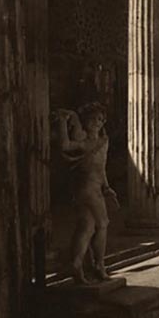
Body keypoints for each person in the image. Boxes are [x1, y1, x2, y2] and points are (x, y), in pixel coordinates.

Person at [52, 102, 118, 284]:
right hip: (86, 187)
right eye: (92, 119)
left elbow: (101, 168)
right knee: (103, 223)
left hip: (96, 187)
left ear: (103, 122)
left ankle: (77, 264)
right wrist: (64, 122)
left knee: (87, 227)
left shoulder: (103, 141)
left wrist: (107, 187)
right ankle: (99, 266)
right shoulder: (83, 140)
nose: (96, 122)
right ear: (85, 121)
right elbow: (65, 146)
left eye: (99, 119)